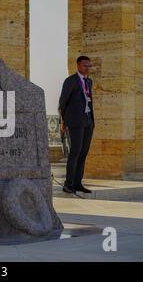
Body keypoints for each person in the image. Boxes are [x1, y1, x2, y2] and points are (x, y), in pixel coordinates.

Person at [59, 56, 94, 194]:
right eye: (85, 66)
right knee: (75, 152)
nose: (88, 68)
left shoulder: (89, 82)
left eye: (89, 66)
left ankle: (78, 183)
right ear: (78, 66)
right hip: (75, 122)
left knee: (83, 153)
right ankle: (68, 184)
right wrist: (63, 121)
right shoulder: (70, 81)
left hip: (88, 121)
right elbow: (63, 102)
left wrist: (91, 120)